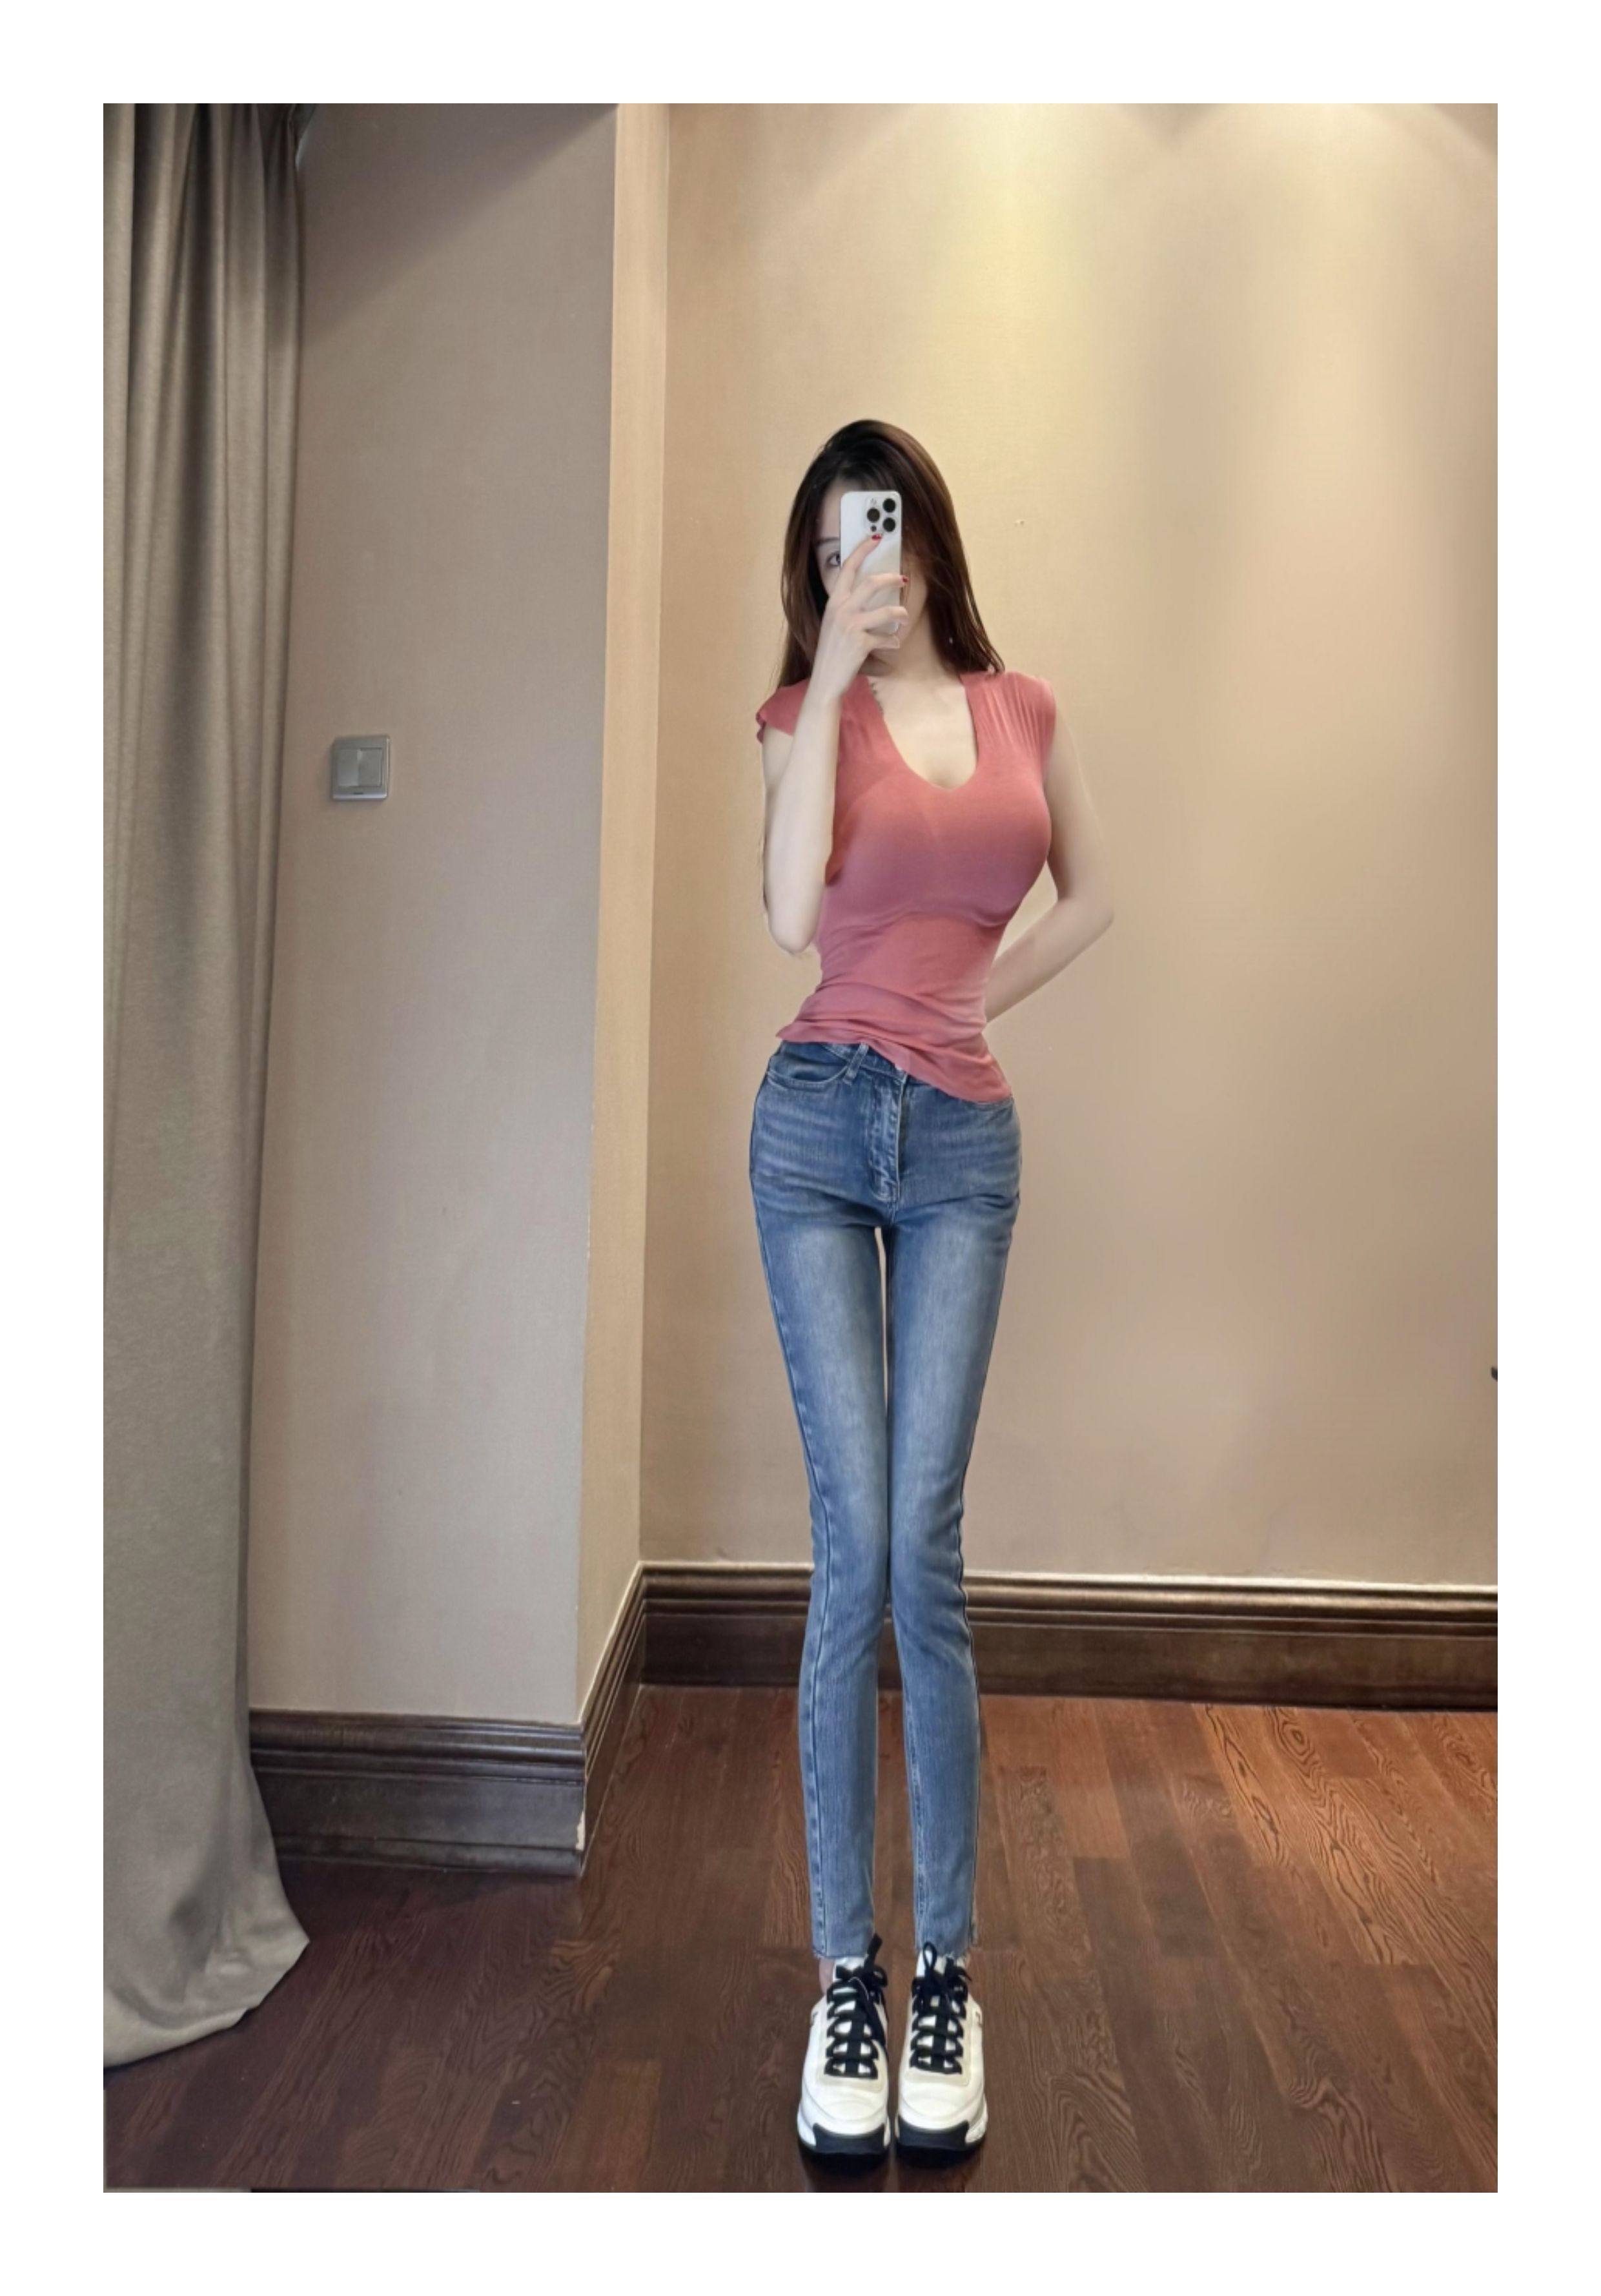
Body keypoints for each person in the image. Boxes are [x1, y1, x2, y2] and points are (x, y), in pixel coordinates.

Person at [749, 420, 1116, 2164]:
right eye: (831, 550)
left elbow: (1093, 896)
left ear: (926, 537)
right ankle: (850, 1973)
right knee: (852, 1550)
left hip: (964, 1141)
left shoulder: (1022, 708)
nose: (858, 566)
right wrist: (827, 678)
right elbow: (782, 916)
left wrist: (977, 1004)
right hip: (816, 1130)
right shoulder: (796, 714)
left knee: (924, 1551)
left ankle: (947, 1973)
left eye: (874, 537)